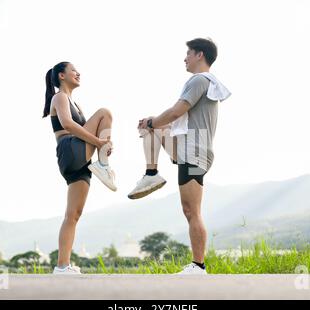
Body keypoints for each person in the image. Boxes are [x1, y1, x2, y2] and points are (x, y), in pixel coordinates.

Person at [128, 38, 231, 275]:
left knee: (191, 210)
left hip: (194, 153)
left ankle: (198, 265)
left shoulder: (198, 80)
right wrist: (152, 122)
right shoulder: (204, 82)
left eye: (188, 53)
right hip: (188, 148)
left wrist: (152, 120)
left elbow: (176, 111)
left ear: (199, 55)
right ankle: (151, 174)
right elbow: (174, 118)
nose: (184, 58)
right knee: (151, 128)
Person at [42, 61, 117, 274]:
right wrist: (98, 142)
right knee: (105, 112)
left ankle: (62, 266)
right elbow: (67, 124)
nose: (78, 73)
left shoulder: (77, 104)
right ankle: (103, 164)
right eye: (73, 70)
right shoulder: (59, 97)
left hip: (80, 158)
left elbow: (87, 132)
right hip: (69, 148)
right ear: (61, 76)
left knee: (73, 214)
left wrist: (100, 143)